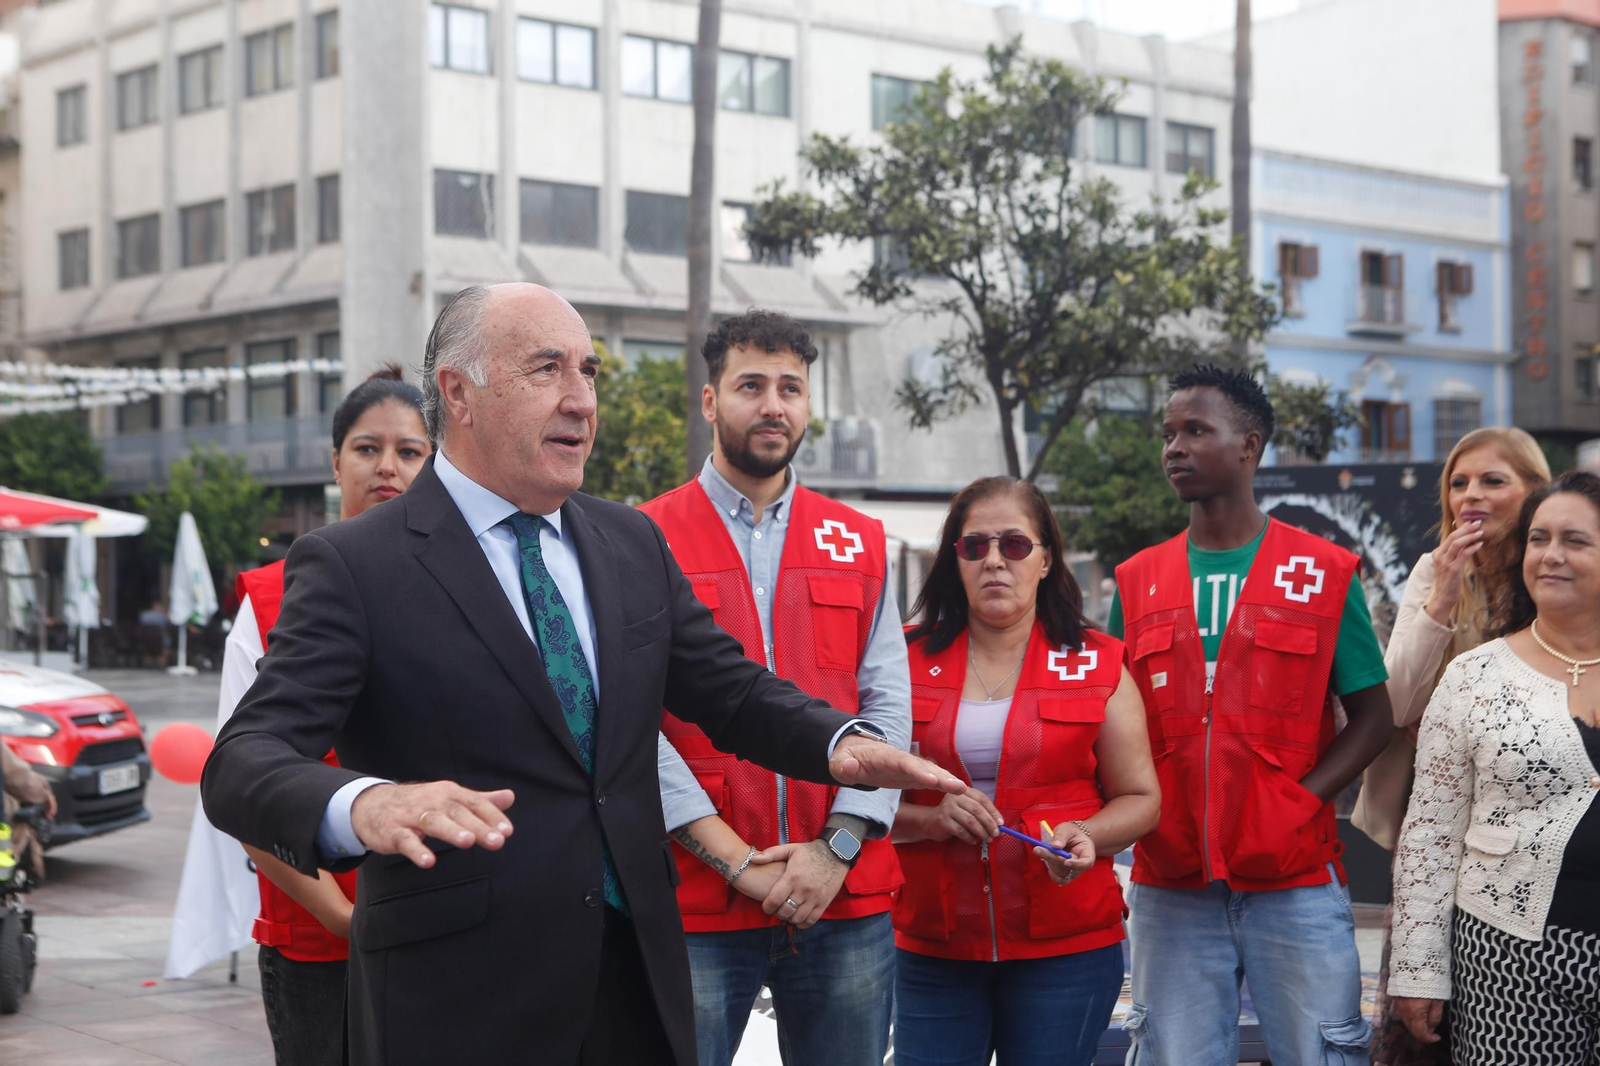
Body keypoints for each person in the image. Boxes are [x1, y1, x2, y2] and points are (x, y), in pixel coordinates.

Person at [199, 282, 963, 1066]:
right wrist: (364, 804)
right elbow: (241, 763)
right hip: (460, 997)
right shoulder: (355, 563)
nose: (581, 401)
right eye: (547, 370)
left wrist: (837, 742)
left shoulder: (627, 541)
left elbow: (727, 690)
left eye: (589, 372)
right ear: (458, 393)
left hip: (638, 978)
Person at [641, 310, 910, 1066]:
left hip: (842, 895)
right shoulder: (643, 537)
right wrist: (734, 860)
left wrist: (839, 845)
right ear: (709, 401)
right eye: (750, 385)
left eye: (791, 387)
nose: (773, 405)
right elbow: (630, 721)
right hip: (698, 897)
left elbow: (887, 708)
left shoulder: (857, 540)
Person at [1108, 364, 1394, 1066]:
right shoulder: (1137, 579)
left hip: (1293, 879)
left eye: (1196, 430)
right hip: (1169, 880)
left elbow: (1374, 716)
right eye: (1168, 433)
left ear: (1249, 446)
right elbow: (1113, 723)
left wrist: (1300, 802)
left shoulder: (1322, 572)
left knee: (1319, 1055)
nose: (1174, 446)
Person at [891, 476, 1159, 1066]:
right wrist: (930, 822)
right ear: (954, 560)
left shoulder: (1098, 660)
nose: (994, 561)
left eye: (1014, 545)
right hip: (933, 944)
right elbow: (854, 801)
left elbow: (1141, 797)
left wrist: (1085, 836)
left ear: (1045, 560)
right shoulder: (899, 660)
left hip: (1066, 946)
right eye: (974, 546)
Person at [224, 365, 431, 1066]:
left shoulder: (459, 587)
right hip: (317, 938)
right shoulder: (265, 602)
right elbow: (241, 789)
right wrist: (342, 918)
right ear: (335, 460)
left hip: (436, 929)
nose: (388, 468)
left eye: (411, 452)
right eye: (368, 448)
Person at [1389, 471, 1600, 1064]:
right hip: (1508, 959)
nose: (1551, 556)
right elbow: (1429, 834)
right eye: (1538, 539)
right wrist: (1418, 970)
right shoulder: (1475, 677)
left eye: (1575, 541)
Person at [1359, 427, 1549, 1066]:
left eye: (1493, 481)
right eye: (1459, 482)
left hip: (1532, 815)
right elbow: (1396, 708)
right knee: (1420, 1002)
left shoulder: (1556, 575)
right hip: (1439, 816)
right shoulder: (1431, 572)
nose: (1471, 495)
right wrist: (1442, 595)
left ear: (1535, 492)